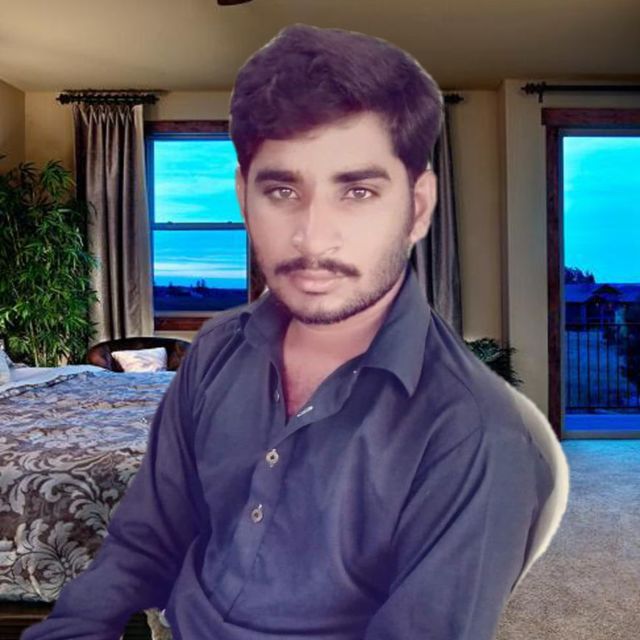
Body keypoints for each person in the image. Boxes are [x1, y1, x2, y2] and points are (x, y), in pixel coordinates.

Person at [23, 24, 553, 640]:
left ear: (417, 206)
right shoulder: (217, 347)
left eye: (357, 191)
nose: (312, 237)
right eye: (281, 190)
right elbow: (147, 538)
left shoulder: (476, 434)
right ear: (244, 199)